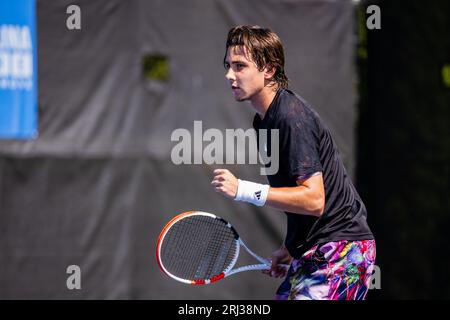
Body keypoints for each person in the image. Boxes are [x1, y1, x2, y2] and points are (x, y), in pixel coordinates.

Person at [211, 25, 376, 300]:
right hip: (314, 251)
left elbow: (314, 200)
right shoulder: (265, 121)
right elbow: (299, 194)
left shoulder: (290, 117)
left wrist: (241, 189)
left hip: (342, 253)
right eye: (228, 65)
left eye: (240, 66)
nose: (229, 75)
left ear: (269, 70)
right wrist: (291, 246)